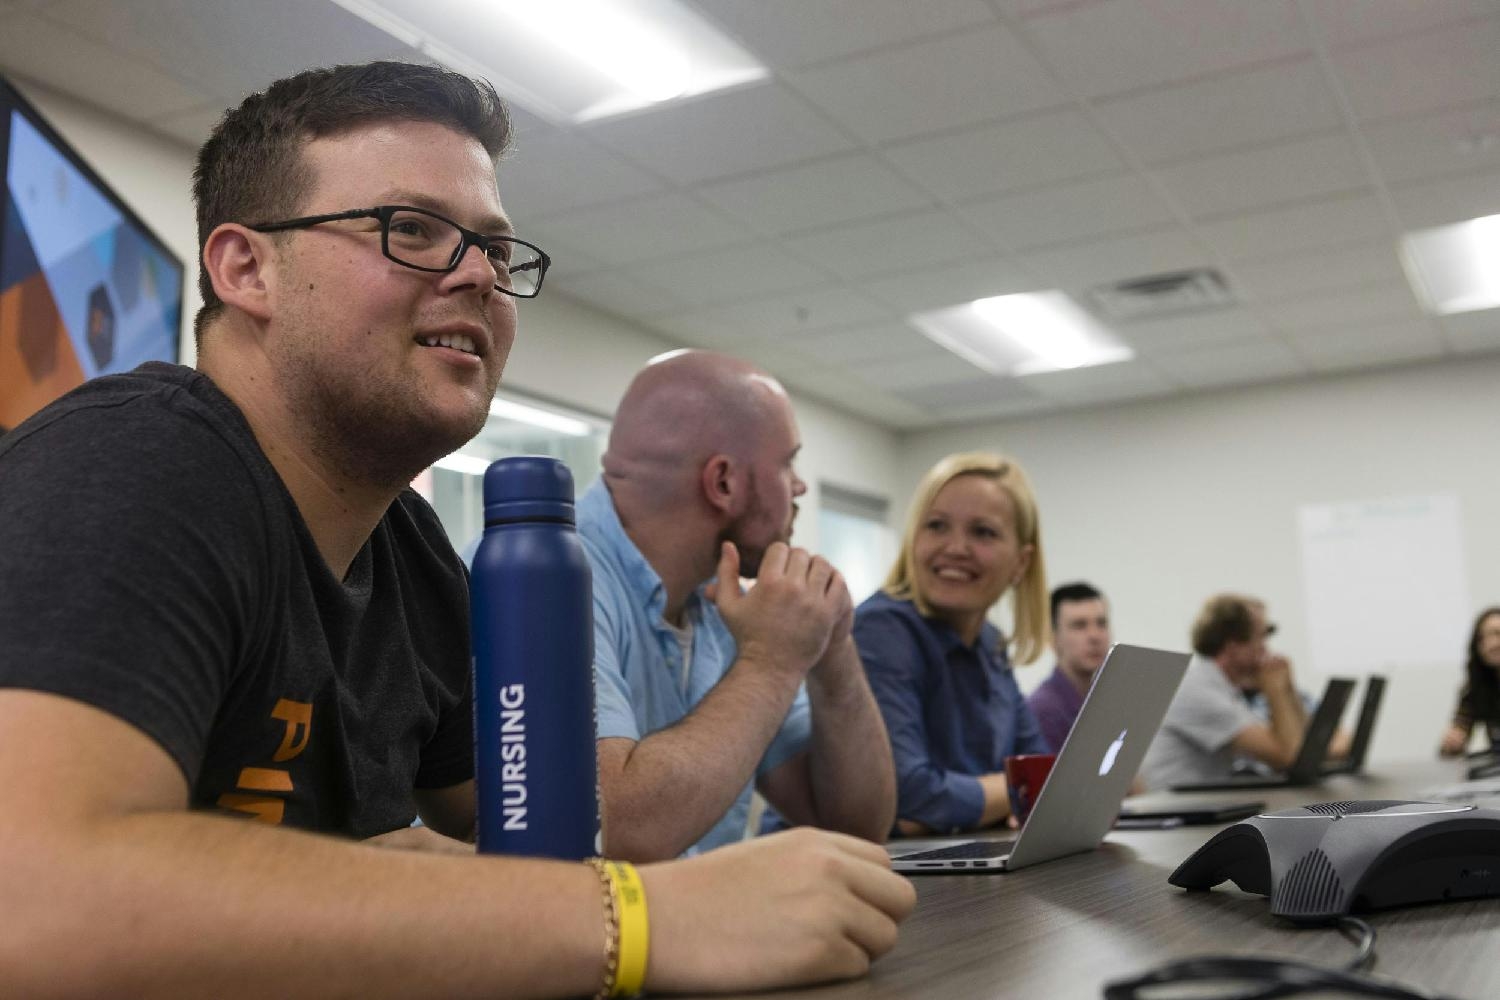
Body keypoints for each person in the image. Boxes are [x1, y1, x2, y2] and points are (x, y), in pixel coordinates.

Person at [0, 61, 913, 998]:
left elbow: (546, 835)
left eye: (495, 249)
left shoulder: (410, 551)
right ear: (246, 269)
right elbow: (31, 898)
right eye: (413, 230)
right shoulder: (136, 460)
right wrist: (637, 917)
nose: (480, 274)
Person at [581, 349, 897, 861]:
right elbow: (617, 833)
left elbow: (854, 829)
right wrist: (770, 663)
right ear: (723, 482)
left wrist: (832, 647)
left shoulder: (733, 610)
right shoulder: (545, 580)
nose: (799, 487)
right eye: (788, 462)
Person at [854, 452, 1050, 835]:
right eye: (936, 525)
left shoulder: (990, 642)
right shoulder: (881, 629)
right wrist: (1012, 793)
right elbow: (912, 795)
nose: (955, 547)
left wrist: (985, 800)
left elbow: (1042, 769)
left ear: (1021, 563)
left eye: (983, 532)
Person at [1139, 594, 1308, 790]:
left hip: (1197, 803)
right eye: (1259, 638)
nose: (1265, 649)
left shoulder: (1221, 687)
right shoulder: (1199, 692)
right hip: (1173, 810)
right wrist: (1276, 691)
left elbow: (1302, 749)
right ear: (1233, 646)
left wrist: (1289, 689)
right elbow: (1287, 757)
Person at [1028, 581, 1111, 752]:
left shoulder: (1109, 703)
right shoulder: (1043, 711)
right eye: (1079, 625)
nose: (1095, 636)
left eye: (1101, 623)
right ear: (1053, 638)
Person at [1439, 606, 1500, 756]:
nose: (1491, 644)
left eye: (1497, 634)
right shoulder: (1477, 687)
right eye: (1482, 638)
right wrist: (1452, 743)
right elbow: (1459, 729)